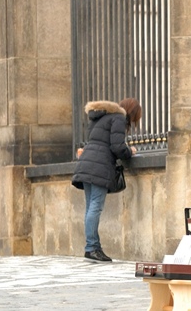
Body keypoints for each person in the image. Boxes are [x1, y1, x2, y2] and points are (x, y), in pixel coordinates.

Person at [72, 98, 141, 263]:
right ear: (133, 112)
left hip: (88, 162)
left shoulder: (101, 117)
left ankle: (93, 247)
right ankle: (92, 248)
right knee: (95, 207)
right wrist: (129, 151)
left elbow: (99, 141)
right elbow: (116, 146)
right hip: (99, 166)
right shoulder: (118, 118)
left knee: (90, 207)